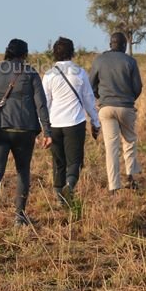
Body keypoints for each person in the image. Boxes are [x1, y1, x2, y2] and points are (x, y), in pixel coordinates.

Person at [0, 38, 52, 229]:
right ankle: (19, 216)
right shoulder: (31, 72)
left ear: (7, 52)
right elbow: (41, 104)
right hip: (24, 129)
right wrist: (47, 130)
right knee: (22, 171)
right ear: (25, 54)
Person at [42, 37, 101, 207]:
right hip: (75, 123)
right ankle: (70, 186)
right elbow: (89, 100)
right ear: (73, 52)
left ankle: (61, 198)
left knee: (58, 162)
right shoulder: (80, 72)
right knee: (74, 161)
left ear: (54, 53)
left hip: (54, 124)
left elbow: (44, 103)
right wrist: (95, 123)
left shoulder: (48, 75)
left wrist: (44, 128)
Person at [89, 32, 143, 194]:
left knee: (111, 147)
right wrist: (129, 99)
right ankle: (131, 176)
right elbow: (138, 87)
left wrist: (102, 98)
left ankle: (113, 186)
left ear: (110, 44)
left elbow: (91, 85)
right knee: (129, 141)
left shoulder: (99, 60)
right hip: (126, 107)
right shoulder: (130, 61)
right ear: (124, 46)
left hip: (106, 108)